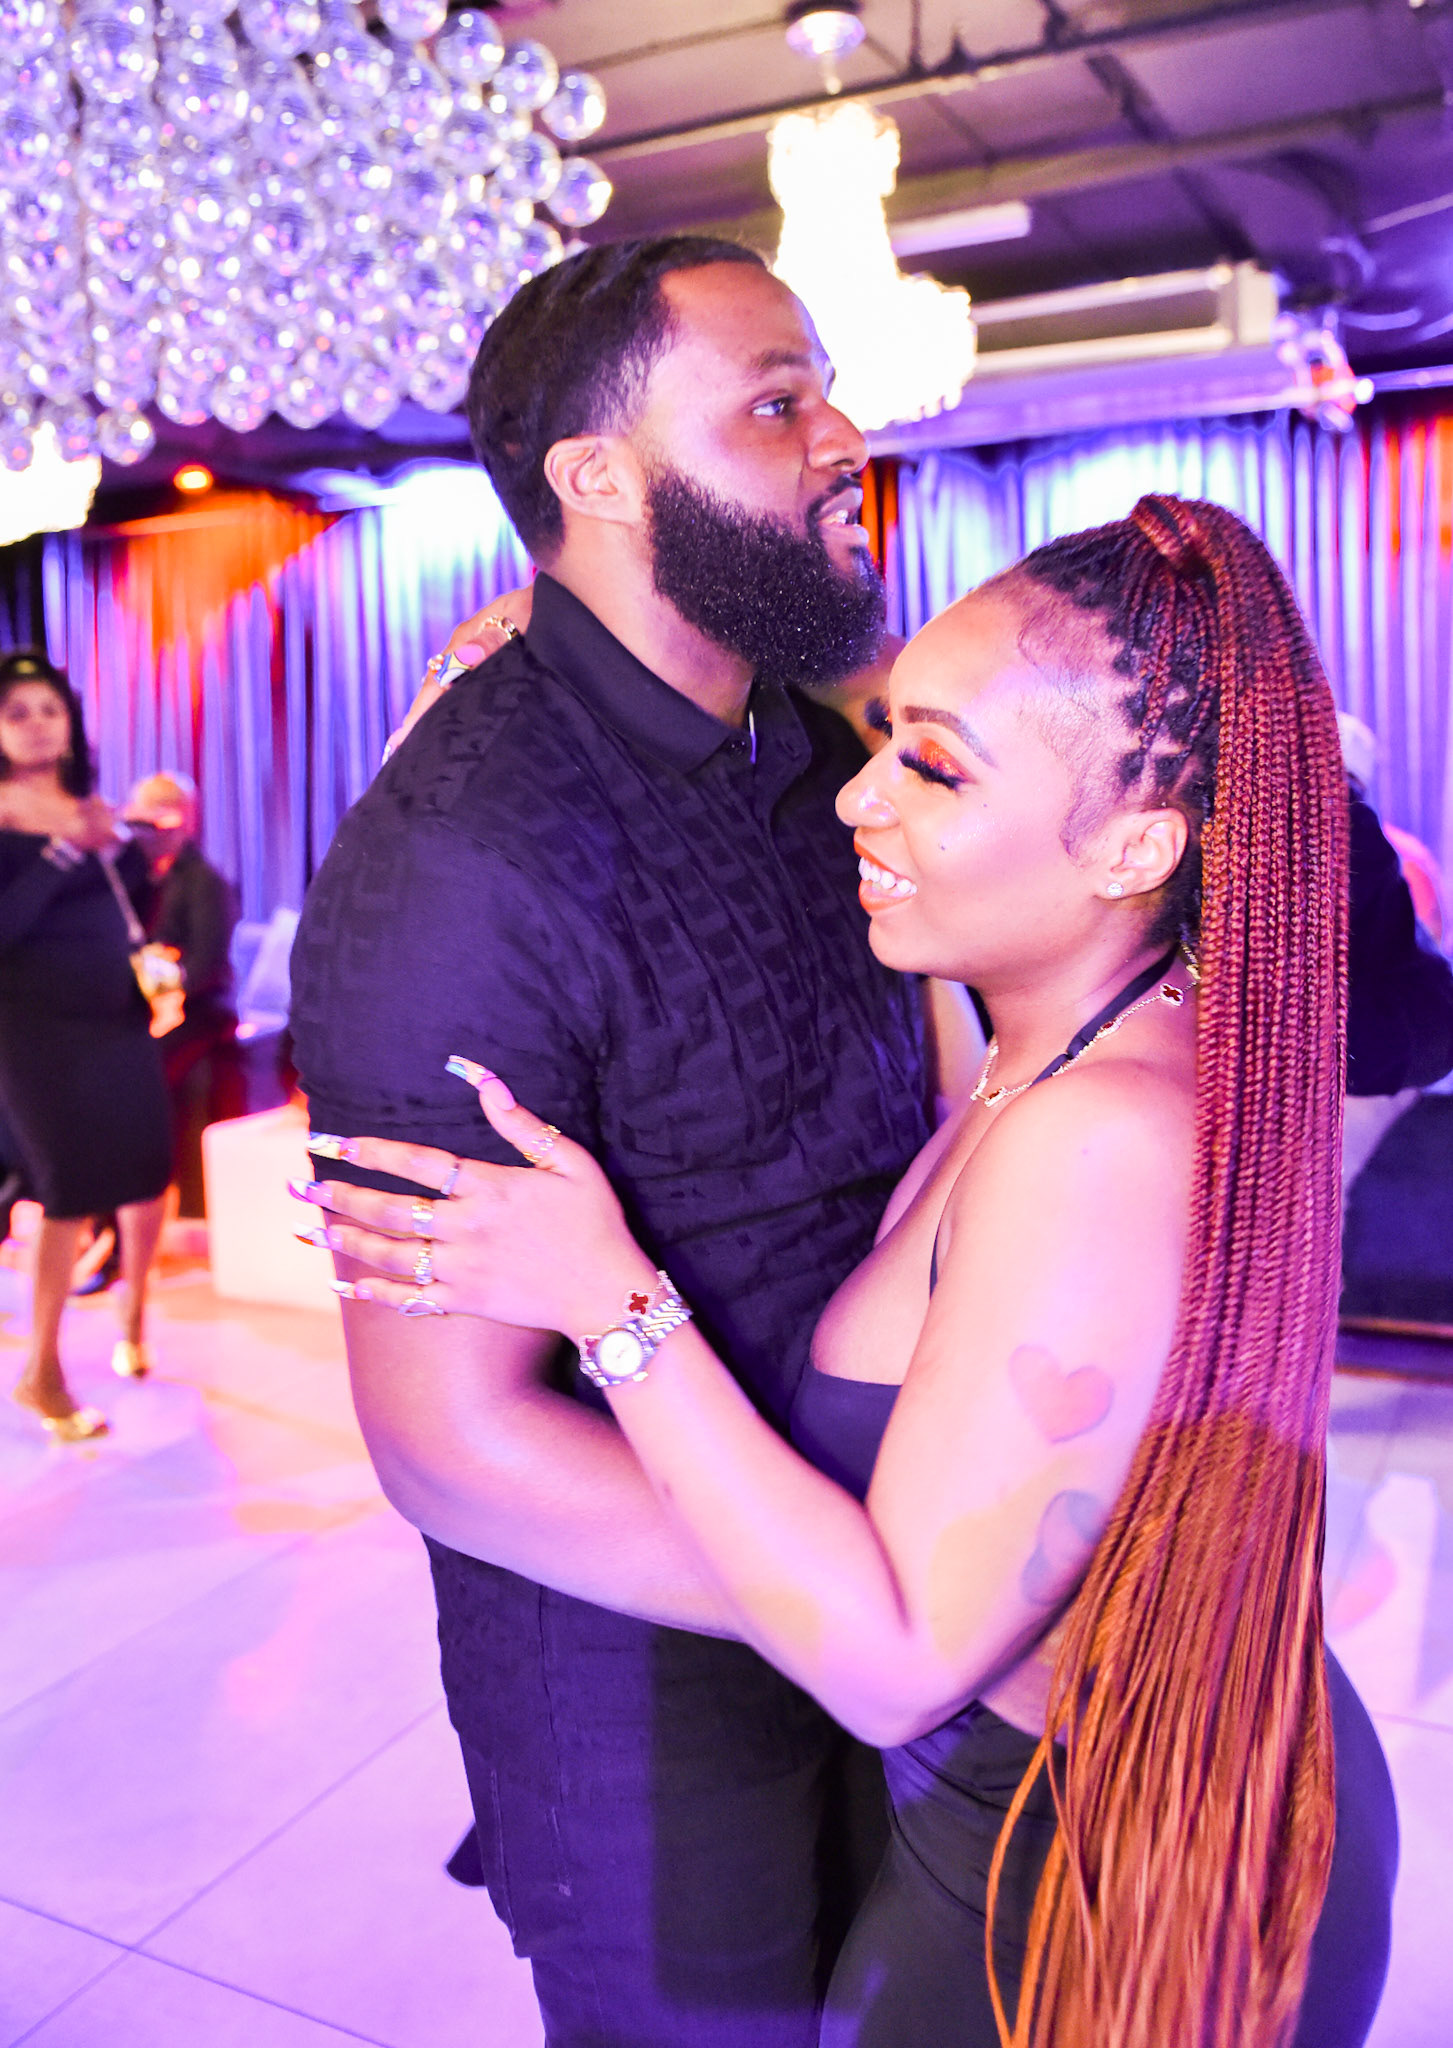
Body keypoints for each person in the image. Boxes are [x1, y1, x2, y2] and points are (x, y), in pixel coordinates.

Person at [304, 496, 1398, 2047]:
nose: (857, 798)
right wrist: (527, 674)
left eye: (931, 769)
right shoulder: (1051, 1048)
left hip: (1094, 1882)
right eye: (882, 740)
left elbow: (891, 1667)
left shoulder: (1094, 1137)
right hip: (1075, 1815)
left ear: (1137, 844)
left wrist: (611, 1301)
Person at [289, 236, 938, 2048]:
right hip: (648, 1687)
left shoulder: (815, 749)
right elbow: (450, 1444)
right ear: (597, 476)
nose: (844, 439)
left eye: (825, 393)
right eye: (777, 403)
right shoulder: (463, 851)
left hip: (871, 1594)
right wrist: (866, 1602)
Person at [0, 651, 172, 1438]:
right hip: (36, 1031)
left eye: (50, 710)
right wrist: (67, 847)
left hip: (117, 1015)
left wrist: (128, 849)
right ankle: (42, 1369)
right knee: (66, 1189)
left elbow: (130, 901)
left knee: (148, 1168)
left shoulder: (85, 802)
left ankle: (133, 1318)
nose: (38, 725)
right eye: (18, 712)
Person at [126, 770, 239, 1215]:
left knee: (141, 1067)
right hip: (155, 1005)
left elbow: (206, 964)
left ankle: (161, 1197)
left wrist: (161, 1001)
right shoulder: (140, 880)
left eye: (151, 823)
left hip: (201, 1010)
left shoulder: (204, 881)